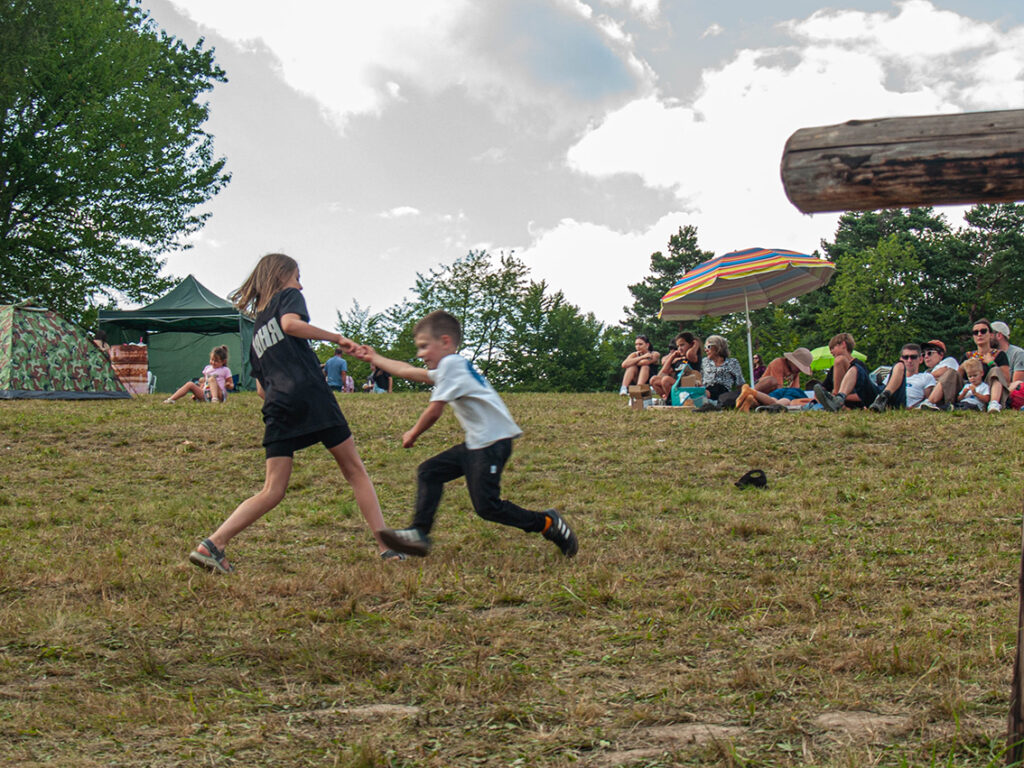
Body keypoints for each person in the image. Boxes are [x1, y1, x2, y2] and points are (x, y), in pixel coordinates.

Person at [188, 253, 401, 573]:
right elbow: (290, 324)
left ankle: (213, 544)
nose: (300, 285)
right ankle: (387, 548)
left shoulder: (257, 333)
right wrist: (337, 338)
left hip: (278, 407)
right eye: (297, 277)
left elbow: (261, 389)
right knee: (355, 470)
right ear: (281, 275)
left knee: (272, 490)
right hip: (311, 397)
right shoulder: (287, 297)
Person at [354, 310, 578, 559]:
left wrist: (413, 433)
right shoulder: (452, 367)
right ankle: (419, 532)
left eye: (424, 346)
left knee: (487, 507)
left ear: (445, 341)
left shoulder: (451, 365)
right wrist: (375, 357)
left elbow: (434, 410)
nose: (420, 354)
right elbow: (409, 371)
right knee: (430, 471)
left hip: (492, 443)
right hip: (477, 443)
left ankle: (547, 523)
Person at [922, 319, 1009, 412]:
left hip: (987, 392)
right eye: (975, 332)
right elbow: (956, 376)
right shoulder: (968, 356)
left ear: (991, 334)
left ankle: (994, 404)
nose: (979, 334)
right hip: (967, 392)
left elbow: (1006, 379)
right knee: (950, 372)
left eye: (983, 331)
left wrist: (991, 363)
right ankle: (930, 402)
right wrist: (963, 366)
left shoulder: (999, 354)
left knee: (995, 370)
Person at [813, 333, 878, 411]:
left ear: (843, 344)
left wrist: (836, 396)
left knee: (839, 360)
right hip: (844, 403)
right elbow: (820, 390)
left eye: (833, 348)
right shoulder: (833, 369)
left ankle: (838, 401)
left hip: (857, 402)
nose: (831, 352)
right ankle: (838, 403)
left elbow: (864, 393)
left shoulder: (859, 366)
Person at [734, 347, 812, 412]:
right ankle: (751, 391)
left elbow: (795, 387)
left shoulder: (795, 372)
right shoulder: (779, 362)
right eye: (799, 367)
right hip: (768, 388)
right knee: (773, 385)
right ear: (792, 361)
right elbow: (779, 387)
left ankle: (751, 400)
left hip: (772, 395)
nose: (799, 370)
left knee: (769, 402)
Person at [867, 343, 935, 411]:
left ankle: (882, 399)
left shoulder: (926, 377)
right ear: (901, 359)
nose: (909, 360)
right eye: (905, 357)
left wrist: (915, 407)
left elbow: (928, 400)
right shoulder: (892, 375)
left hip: (900, 403)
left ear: (920, 359)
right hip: (886, 398)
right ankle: (876, 401)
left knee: (899, 366)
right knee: (861, 369)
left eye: (913, 357)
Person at [163, 345, 235, 404]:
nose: (213, 362)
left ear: (223, 361)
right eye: (212, 360)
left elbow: (231, 385)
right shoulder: (207, 368)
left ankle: (214, 399)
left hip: (219, 395)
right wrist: (198, 391)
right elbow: (204, 383)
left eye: (216, 361)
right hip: (206, 394)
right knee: (190, 384)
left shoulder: (225, 370)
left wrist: (228, 385)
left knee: (211, 379)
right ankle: (171, 399)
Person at [697, 335, 745, 410]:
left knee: (728, 398)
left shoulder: (732, 362)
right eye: (705, 347)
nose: (706, 350)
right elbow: (701, 378)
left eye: (708, 347)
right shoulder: (704, 362)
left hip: (724, 392)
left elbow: (740, 383)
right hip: (708, 390)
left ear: (717, 347)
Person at [649, 333, 699, 401]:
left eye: (682, 345)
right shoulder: (678, 359)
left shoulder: (693, 357)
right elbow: (664, 371)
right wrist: (672, 356)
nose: (679, 348)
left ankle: (671, 400)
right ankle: (668, 399)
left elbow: (689, 354)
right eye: (678, 346)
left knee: (666, 380)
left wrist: (696, 343)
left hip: (689, 385)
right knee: (654, 380)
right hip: (677, 385)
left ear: (691, 344)